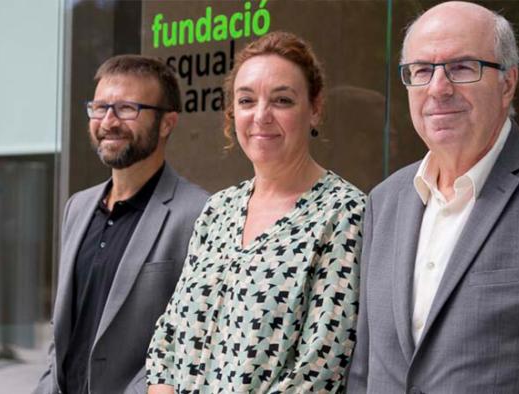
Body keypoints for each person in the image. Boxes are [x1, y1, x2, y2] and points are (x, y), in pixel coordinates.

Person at [347, 2, 519, 393]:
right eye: (422, 71)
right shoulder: (384, 202)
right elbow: (364, 372)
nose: (438, 88)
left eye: (462, 67)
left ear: (508, 83)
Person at [146, 31, 365, 393]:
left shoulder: (342, 214)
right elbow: (168, 338)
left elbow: (320, 368)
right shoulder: (218, 209)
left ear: (315, 108)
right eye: (247, 100)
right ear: (233, 113)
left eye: (281, 100)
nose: (261, 116)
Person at [34, 55, 209, 394]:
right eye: (100, 107)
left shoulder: (199, 212)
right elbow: (64, 325)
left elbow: (193, 340)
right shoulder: (78, 206)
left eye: (127, 108)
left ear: (167, 123)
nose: (109, 121)